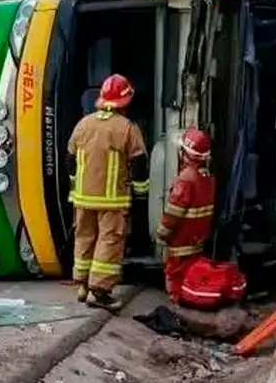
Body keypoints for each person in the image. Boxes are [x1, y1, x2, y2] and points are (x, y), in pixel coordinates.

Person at [67, 74, 149, 311]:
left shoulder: (84, 124)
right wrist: (141, 194)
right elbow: (139, 165)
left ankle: (81, 285)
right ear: (125, 101)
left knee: (84, 238)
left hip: (82, 199)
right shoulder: (126, 129)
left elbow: (69, 160)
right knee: (109, 241)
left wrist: (77, 185)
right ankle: (100, 292)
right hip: (112, 200)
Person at [157, 127, 216, 302]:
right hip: (196, 242)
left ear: (185, 152)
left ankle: (177, 311)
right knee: (190, 278)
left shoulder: (185, 179)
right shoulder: (207, 177)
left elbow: (173, 213)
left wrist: (162, 233)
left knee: (175, 280)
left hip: (179, 243)